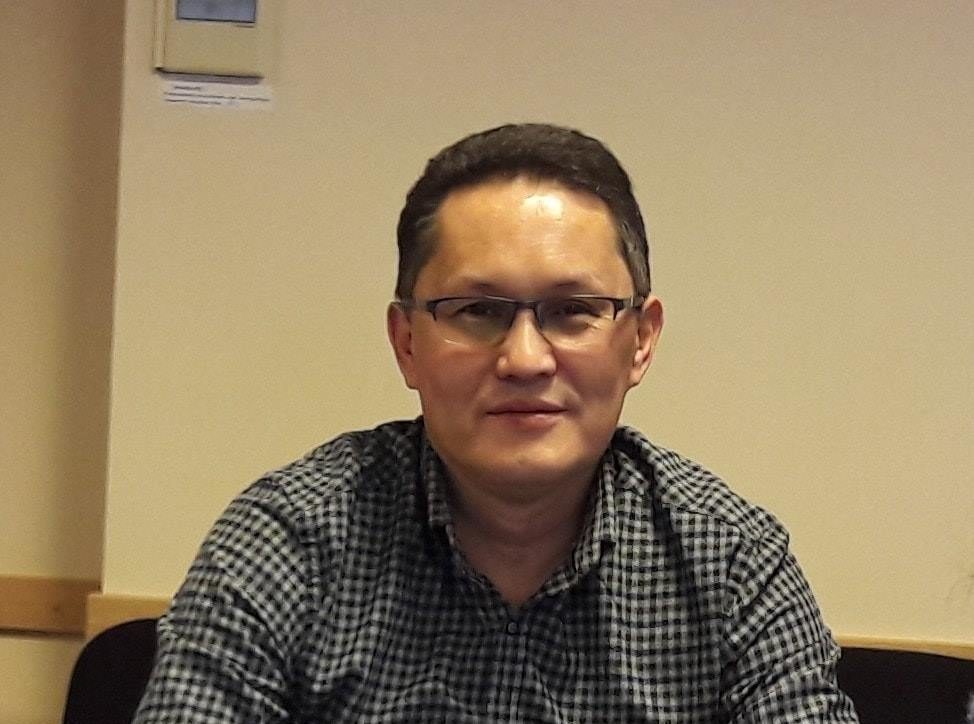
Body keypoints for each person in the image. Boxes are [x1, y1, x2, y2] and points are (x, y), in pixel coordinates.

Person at [134, 123, 859, 722]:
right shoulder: (289, 541)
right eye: (478, 311)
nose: (524, 359)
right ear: (407, 343)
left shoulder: (731, 564)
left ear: (640, 340)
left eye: (572, 311)